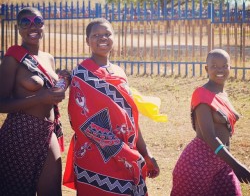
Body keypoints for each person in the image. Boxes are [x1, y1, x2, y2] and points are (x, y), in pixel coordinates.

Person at [63, 18, 160, 195]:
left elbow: (129, 117)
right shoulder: (81, 74)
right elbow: (83, 123)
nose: (103, 38)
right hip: (97, 158)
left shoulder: (119, 72)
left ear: (114, 37)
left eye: (107, 34)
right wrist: (124, 153)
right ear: (87, 41)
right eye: (96, 35)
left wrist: (145, 152)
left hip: (126, 154)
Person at [0, 7, 70, 196]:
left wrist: (63, 84)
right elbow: (1, 103)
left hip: (47, 131)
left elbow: (50, 94)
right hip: (20, 133)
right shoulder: (12, 58)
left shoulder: (48, 58)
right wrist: (39, 98)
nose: (33, 26)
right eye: (26, 22)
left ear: (44, 25)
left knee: (53, 192)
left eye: (38, 21)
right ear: (18, 28)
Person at [170, 49, 250, 196]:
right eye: (214, 66)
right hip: (198, 163)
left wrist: (230, 163)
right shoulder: (202, 94)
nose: (220, 70)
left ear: (230, 67)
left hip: (222, 161)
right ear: (206, 69)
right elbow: (209, 137)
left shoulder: (223, 94)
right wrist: (236, 165)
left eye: (224, 66)